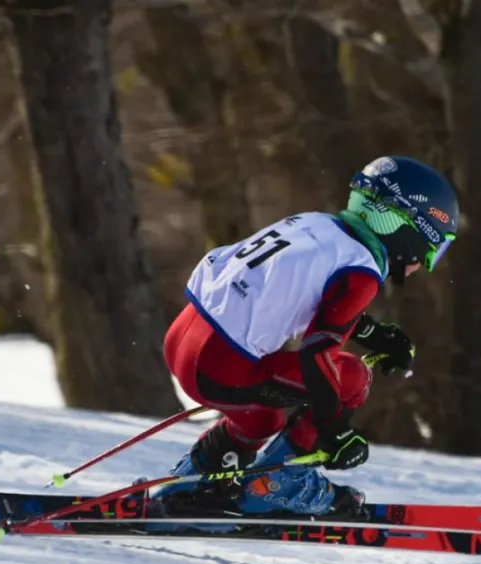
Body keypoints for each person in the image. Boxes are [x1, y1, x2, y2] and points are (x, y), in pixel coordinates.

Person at [153, 155, 459, 519]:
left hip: (182, 341)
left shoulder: (317, 225)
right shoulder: (361, 272)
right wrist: (334, 431)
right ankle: (278, 486)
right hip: (220, 367)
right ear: (407, 229)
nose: (422, 264)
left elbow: (296, 296)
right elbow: (317, 353)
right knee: (352, 377)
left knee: (263, 421)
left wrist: (375, 334)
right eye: (430, 247)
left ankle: (191, 482)